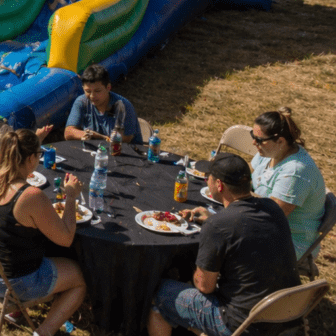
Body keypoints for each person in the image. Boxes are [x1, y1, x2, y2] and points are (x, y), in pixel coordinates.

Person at [148, 153, 300, 336]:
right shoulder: (272, 207)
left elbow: (204, 287)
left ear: (219, 185)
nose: (206, 182)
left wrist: (194, 272)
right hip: (287, 316)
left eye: (209, 178)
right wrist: (214, 219)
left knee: (160, 291)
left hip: (243, 325)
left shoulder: (218, 226)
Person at [0, 129, 86, 336]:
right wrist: (70, 196)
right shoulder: (30, 196)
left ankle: (16, 312)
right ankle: (44, 332)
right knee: (80, 277)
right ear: (32, 158)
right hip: (12, 283)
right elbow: (66, 238)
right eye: (38, 155)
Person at [249, 108, 326, 262]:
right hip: (261, 225)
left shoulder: (296, 172)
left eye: (259, 139)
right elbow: (249, 182)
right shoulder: (270, 152)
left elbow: (271, 217)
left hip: (288, 242)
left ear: (281, 141)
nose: (254, 142)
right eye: (253, 136)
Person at [64, 64, 140, 143]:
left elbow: (126, 139)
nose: (92, 96)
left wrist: (98, 137)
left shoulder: (123, 106)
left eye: (97, 91)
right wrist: (85, 134)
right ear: (83, 88)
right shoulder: (81, 102)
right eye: (88, 91)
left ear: (108, 88)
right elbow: (68, 132)